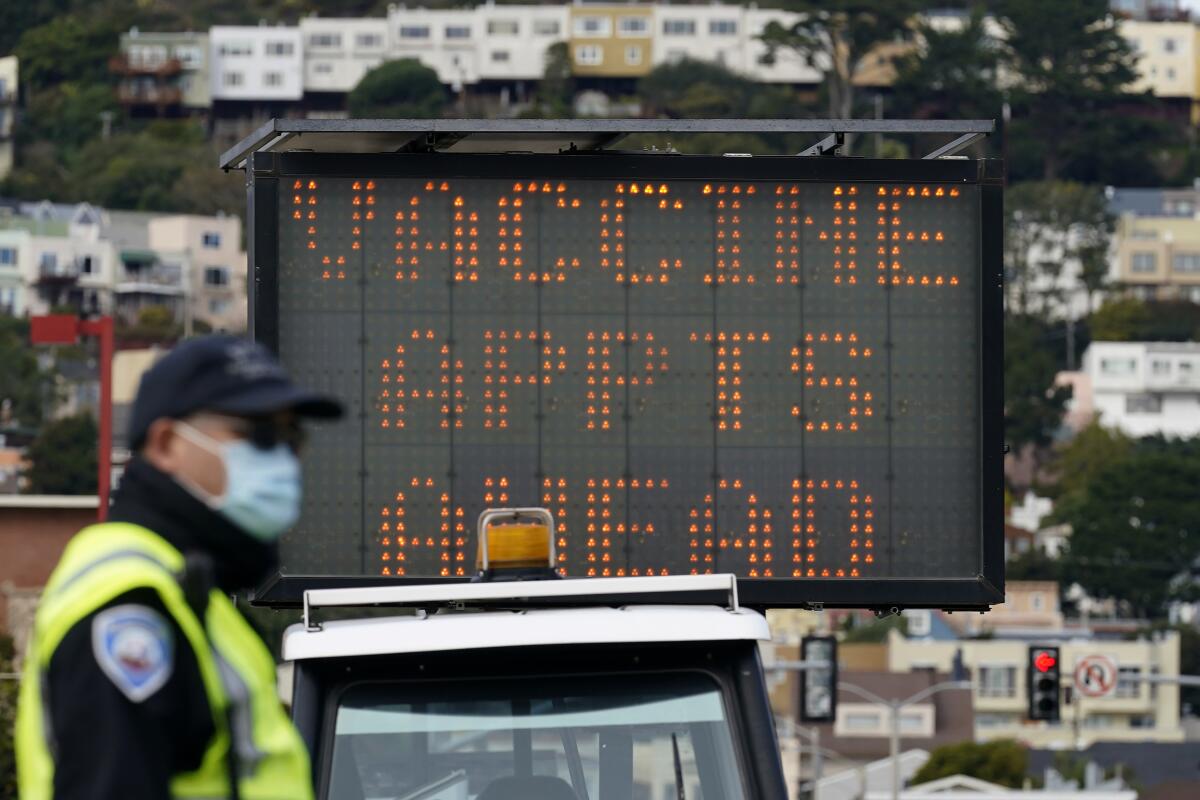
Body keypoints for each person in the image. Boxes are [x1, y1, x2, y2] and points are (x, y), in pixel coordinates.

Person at [16, 336, 342, 800]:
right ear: (168, 443)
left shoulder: (188, 592)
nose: (285, 461)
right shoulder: (131, 606)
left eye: (293, 440)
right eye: (263, 437)